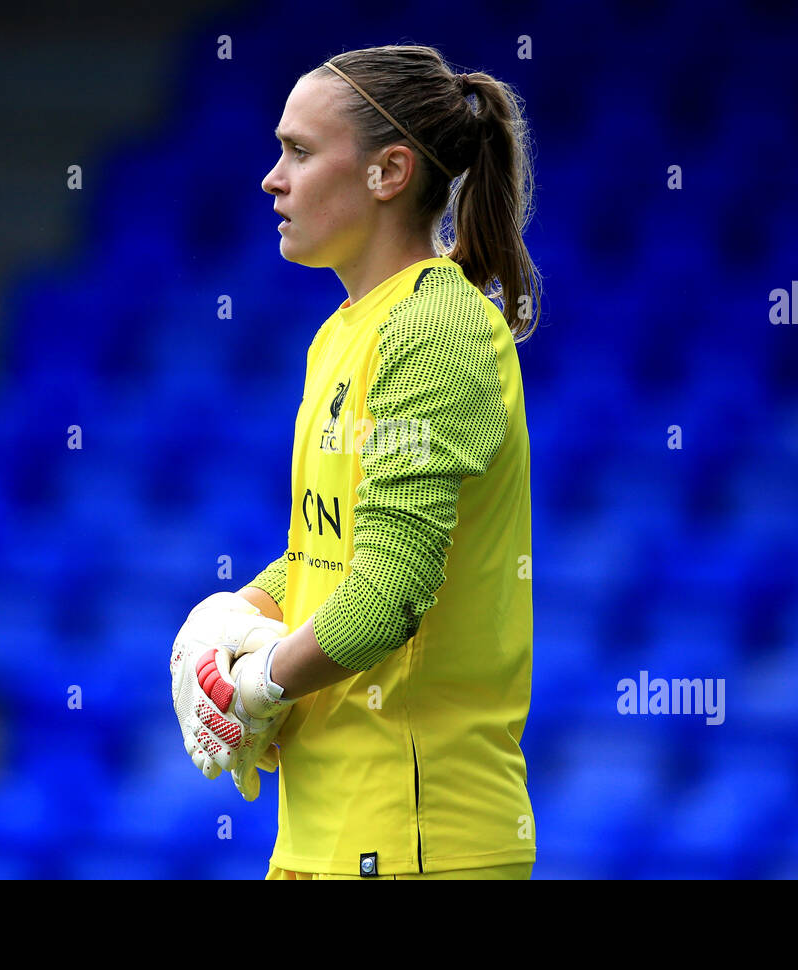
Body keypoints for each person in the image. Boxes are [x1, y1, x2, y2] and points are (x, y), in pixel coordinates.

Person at [172, 43, 542, 880]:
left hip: (416, 837)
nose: (272, 179)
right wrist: (228, 616)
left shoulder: (436, 330)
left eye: (300, 152)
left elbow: (387, 593)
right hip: (327, 833)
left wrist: (258, 680)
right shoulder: (343, 332)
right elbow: (325, 549)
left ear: (389, 172)